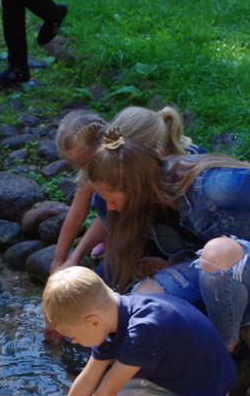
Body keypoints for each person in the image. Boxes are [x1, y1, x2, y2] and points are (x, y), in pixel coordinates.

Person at [83, 136, 250, 349]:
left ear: (135, 187)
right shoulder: (155, 199)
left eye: (112, 200)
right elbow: (118, 258)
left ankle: (225, 349)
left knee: (218, 253)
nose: (111, 209)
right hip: (221, 278)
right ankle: (233, 328)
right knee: (141, 303)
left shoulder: (216, 187)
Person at [38, 266, 235, 396]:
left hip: (206, 390)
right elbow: (87, 380)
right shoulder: (115, 316)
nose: (74, 342)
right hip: (186, 372)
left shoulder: (144, 328)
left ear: (92, 322)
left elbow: (107, 390)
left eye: (72, 337)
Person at [49, 104, 199, 274]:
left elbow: (205, 241)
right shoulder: (101, 165)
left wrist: (168, 265)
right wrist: (64, 260)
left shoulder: (180, 178)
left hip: (183, 241)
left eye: (85, 163)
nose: (83, 169)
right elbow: (77, 214)